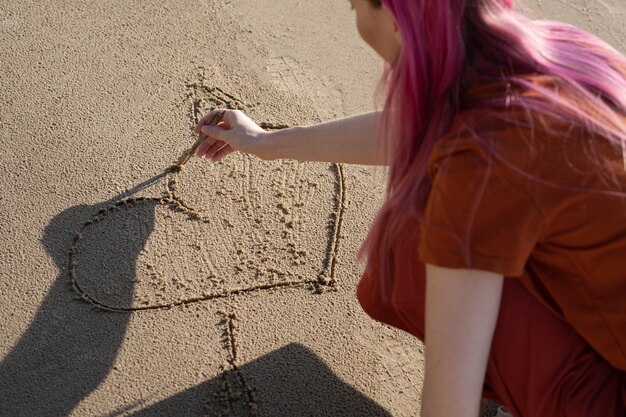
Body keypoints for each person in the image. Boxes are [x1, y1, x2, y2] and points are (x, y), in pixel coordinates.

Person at [193, 0, 626, 416]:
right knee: (425, 243)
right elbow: (428, 126)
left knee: (414, 245)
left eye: (355, 7)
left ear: (397, 19)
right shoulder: (557, 54)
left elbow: (448, 406)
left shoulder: (481, 156)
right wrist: (266, 142)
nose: (358, 23)